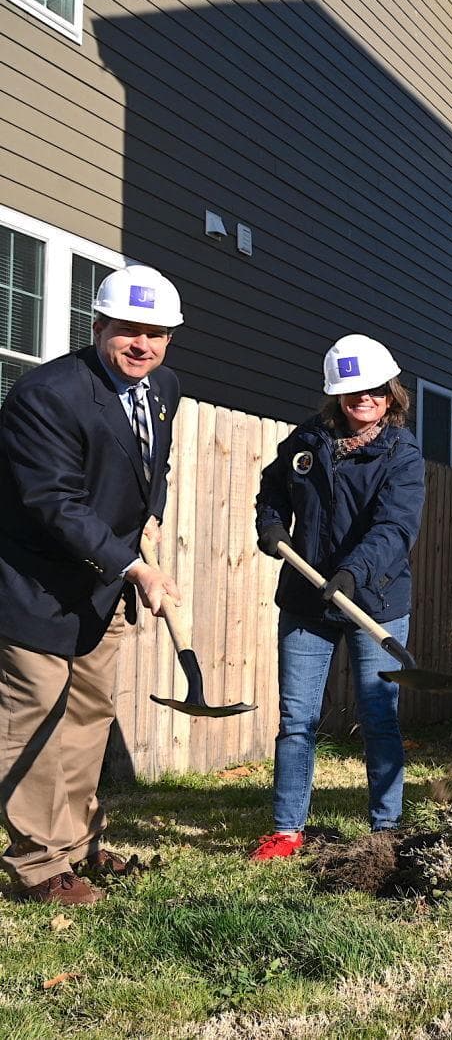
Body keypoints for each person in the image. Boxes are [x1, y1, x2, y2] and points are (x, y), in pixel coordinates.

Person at [0, 266, 185, 904]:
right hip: (38, 585)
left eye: (157, 333)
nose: (144, 345)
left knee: (87, 716)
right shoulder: (45, 395)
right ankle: (36, 865)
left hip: (99, 589)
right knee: (37, 723)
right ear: (98, 325)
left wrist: (151, 513)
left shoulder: (163, 384)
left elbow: (149, 463)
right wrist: (133, 566)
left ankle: (78, 846)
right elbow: (55, 502)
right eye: (129, 331)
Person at [251, 334, 424, 859]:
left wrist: (352, 572)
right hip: (307, 601)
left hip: (375, 600)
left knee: (378, 715)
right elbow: (271, 489)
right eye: (351, 393)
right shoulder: (307, 442)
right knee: (297, 719)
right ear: (336, 397)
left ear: (390, 392)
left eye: (373, 390)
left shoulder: (402, 453)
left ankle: (386, 829)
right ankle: (286, 831)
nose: (362, 400)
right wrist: (272, 525)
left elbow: (396, 528)